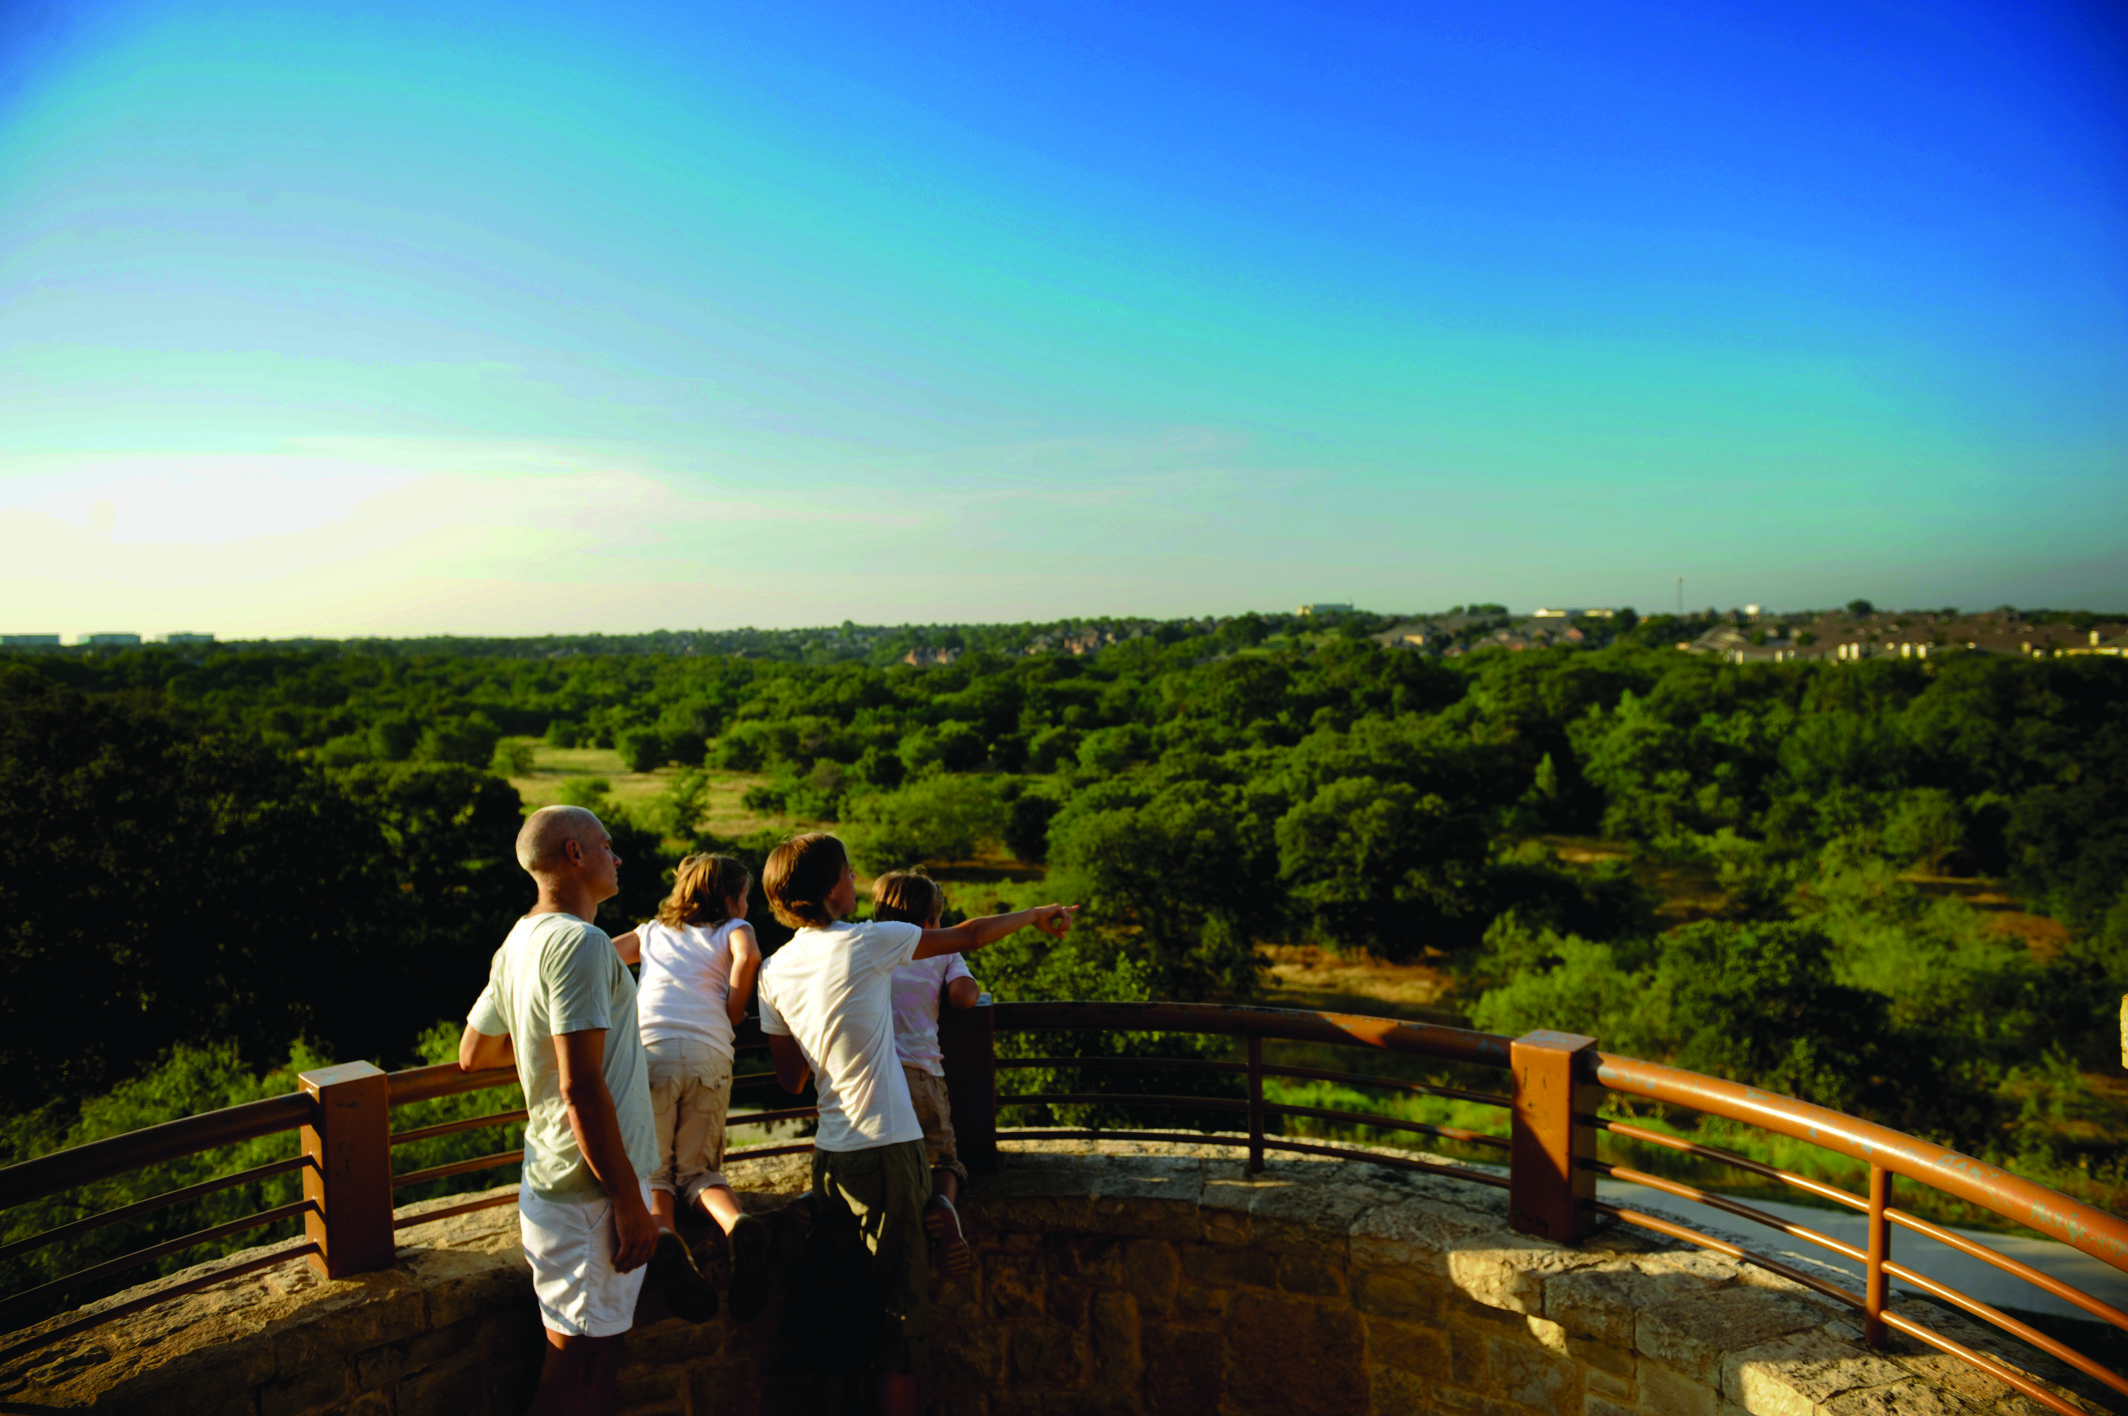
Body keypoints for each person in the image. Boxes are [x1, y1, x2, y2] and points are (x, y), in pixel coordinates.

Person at [755, 833, 1074, 1416]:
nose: (856, 881)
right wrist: (1036, 914)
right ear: (832, 889)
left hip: (831, 1156)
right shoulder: (869, 943)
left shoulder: (774, 971)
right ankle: (943, 1202)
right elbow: (970, 935)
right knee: (896, 1324)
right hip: (890, 1147)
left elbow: (791, 1080)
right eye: (849, 873)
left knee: (836, 1320)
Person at [459, 805, 658, 1416]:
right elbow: (582, 1087)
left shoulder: (520, 940)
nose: (616, 856)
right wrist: (628, 1200)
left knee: (588, 1362)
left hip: (557, 1181)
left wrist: (539, 1033)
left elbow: (474, 1052)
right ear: (574, 854)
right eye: (605, 845)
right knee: (579, 1371)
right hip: (592, 1194)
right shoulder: (581, 944)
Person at [608, 853, 768, 1323]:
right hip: (708, 1053)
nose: (746, 906)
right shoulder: (732, 930)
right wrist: (734, 1010)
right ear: (728, 899)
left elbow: (601, 954)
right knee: (700, 1172)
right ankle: (736, 1223)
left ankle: (665, 1236)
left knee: (655, 1173)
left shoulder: (652, 932)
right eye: (744, 898)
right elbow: (750, 957)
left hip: (651, 1052)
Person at [870, 869, 979, 1279]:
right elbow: (964, 998)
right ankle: (942, 1205)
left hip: (870, 1077)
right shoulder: (943, 952)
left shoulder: (867, 943)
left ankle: (819, 1201)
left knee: (870, 1159)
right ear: (933, 921)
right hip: (921, 1075)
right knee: (944, 1159)